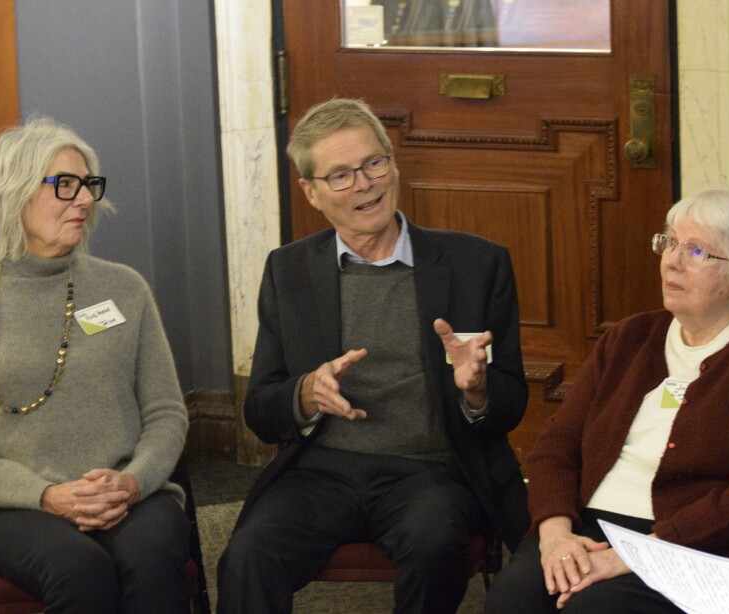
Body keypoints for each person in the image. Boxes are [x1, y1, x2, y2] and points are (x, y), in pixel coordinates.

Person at [216, 98, 530, 613]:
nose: (364, 183)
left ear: (393, 165)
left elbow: (511, 402)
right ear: (311, 192)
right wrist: (306, 394)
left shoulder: (478, 263)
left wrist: (477, 390)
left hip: (431, 471)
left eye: (373, 163)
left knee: (435, 545)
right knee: (248, 555)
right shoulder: (289, 271)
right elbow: (262, 411)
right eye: (340, 175)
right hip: (320, 472)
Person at [484, 186, 729, 614]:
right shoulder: (631, 337)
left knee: (594, 609)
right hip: (593, 527)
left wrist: (640, 555)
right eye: (669, 242)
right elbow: (557, 446)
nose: (672, 261)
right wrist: (556, 533)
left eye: (696, 252)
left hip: (704, 544)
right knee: (513, 599)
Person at [0, 117, 191, 613]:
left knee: (152, 560)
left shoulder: (125, 289)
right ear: (15, 192)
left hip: (127, 493)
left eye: (88, 184)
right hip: (9, 506)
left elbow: (166, 413)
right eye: (64, 185)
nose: (86, 199)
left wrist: (132, 482)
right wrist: (48, 495)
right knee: (80, 570)